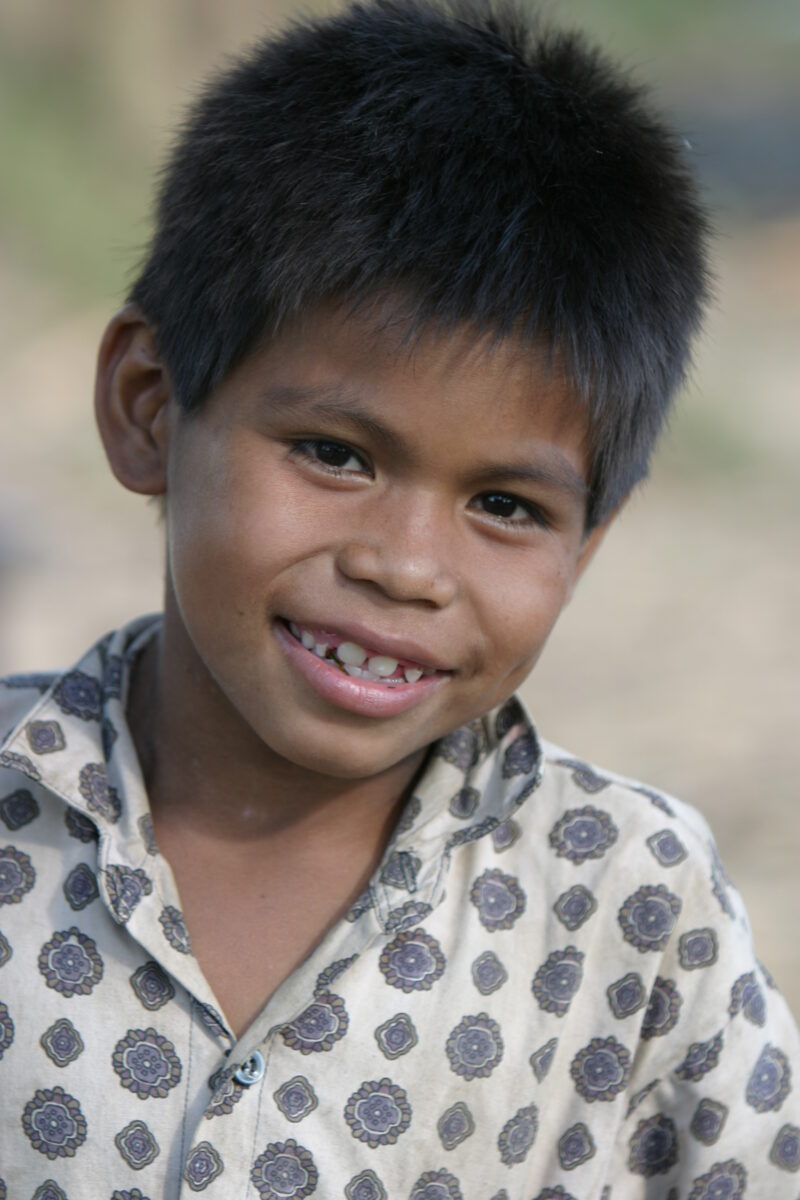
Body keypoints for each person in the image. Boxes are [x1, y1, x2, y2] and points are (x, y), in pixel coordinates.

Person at [1, 1, 797, 1196]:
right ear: (149, 406)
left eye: (506, 507)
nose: (405, 566)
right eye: (335, 455)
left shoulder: (632, 908)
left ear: (587, 541)